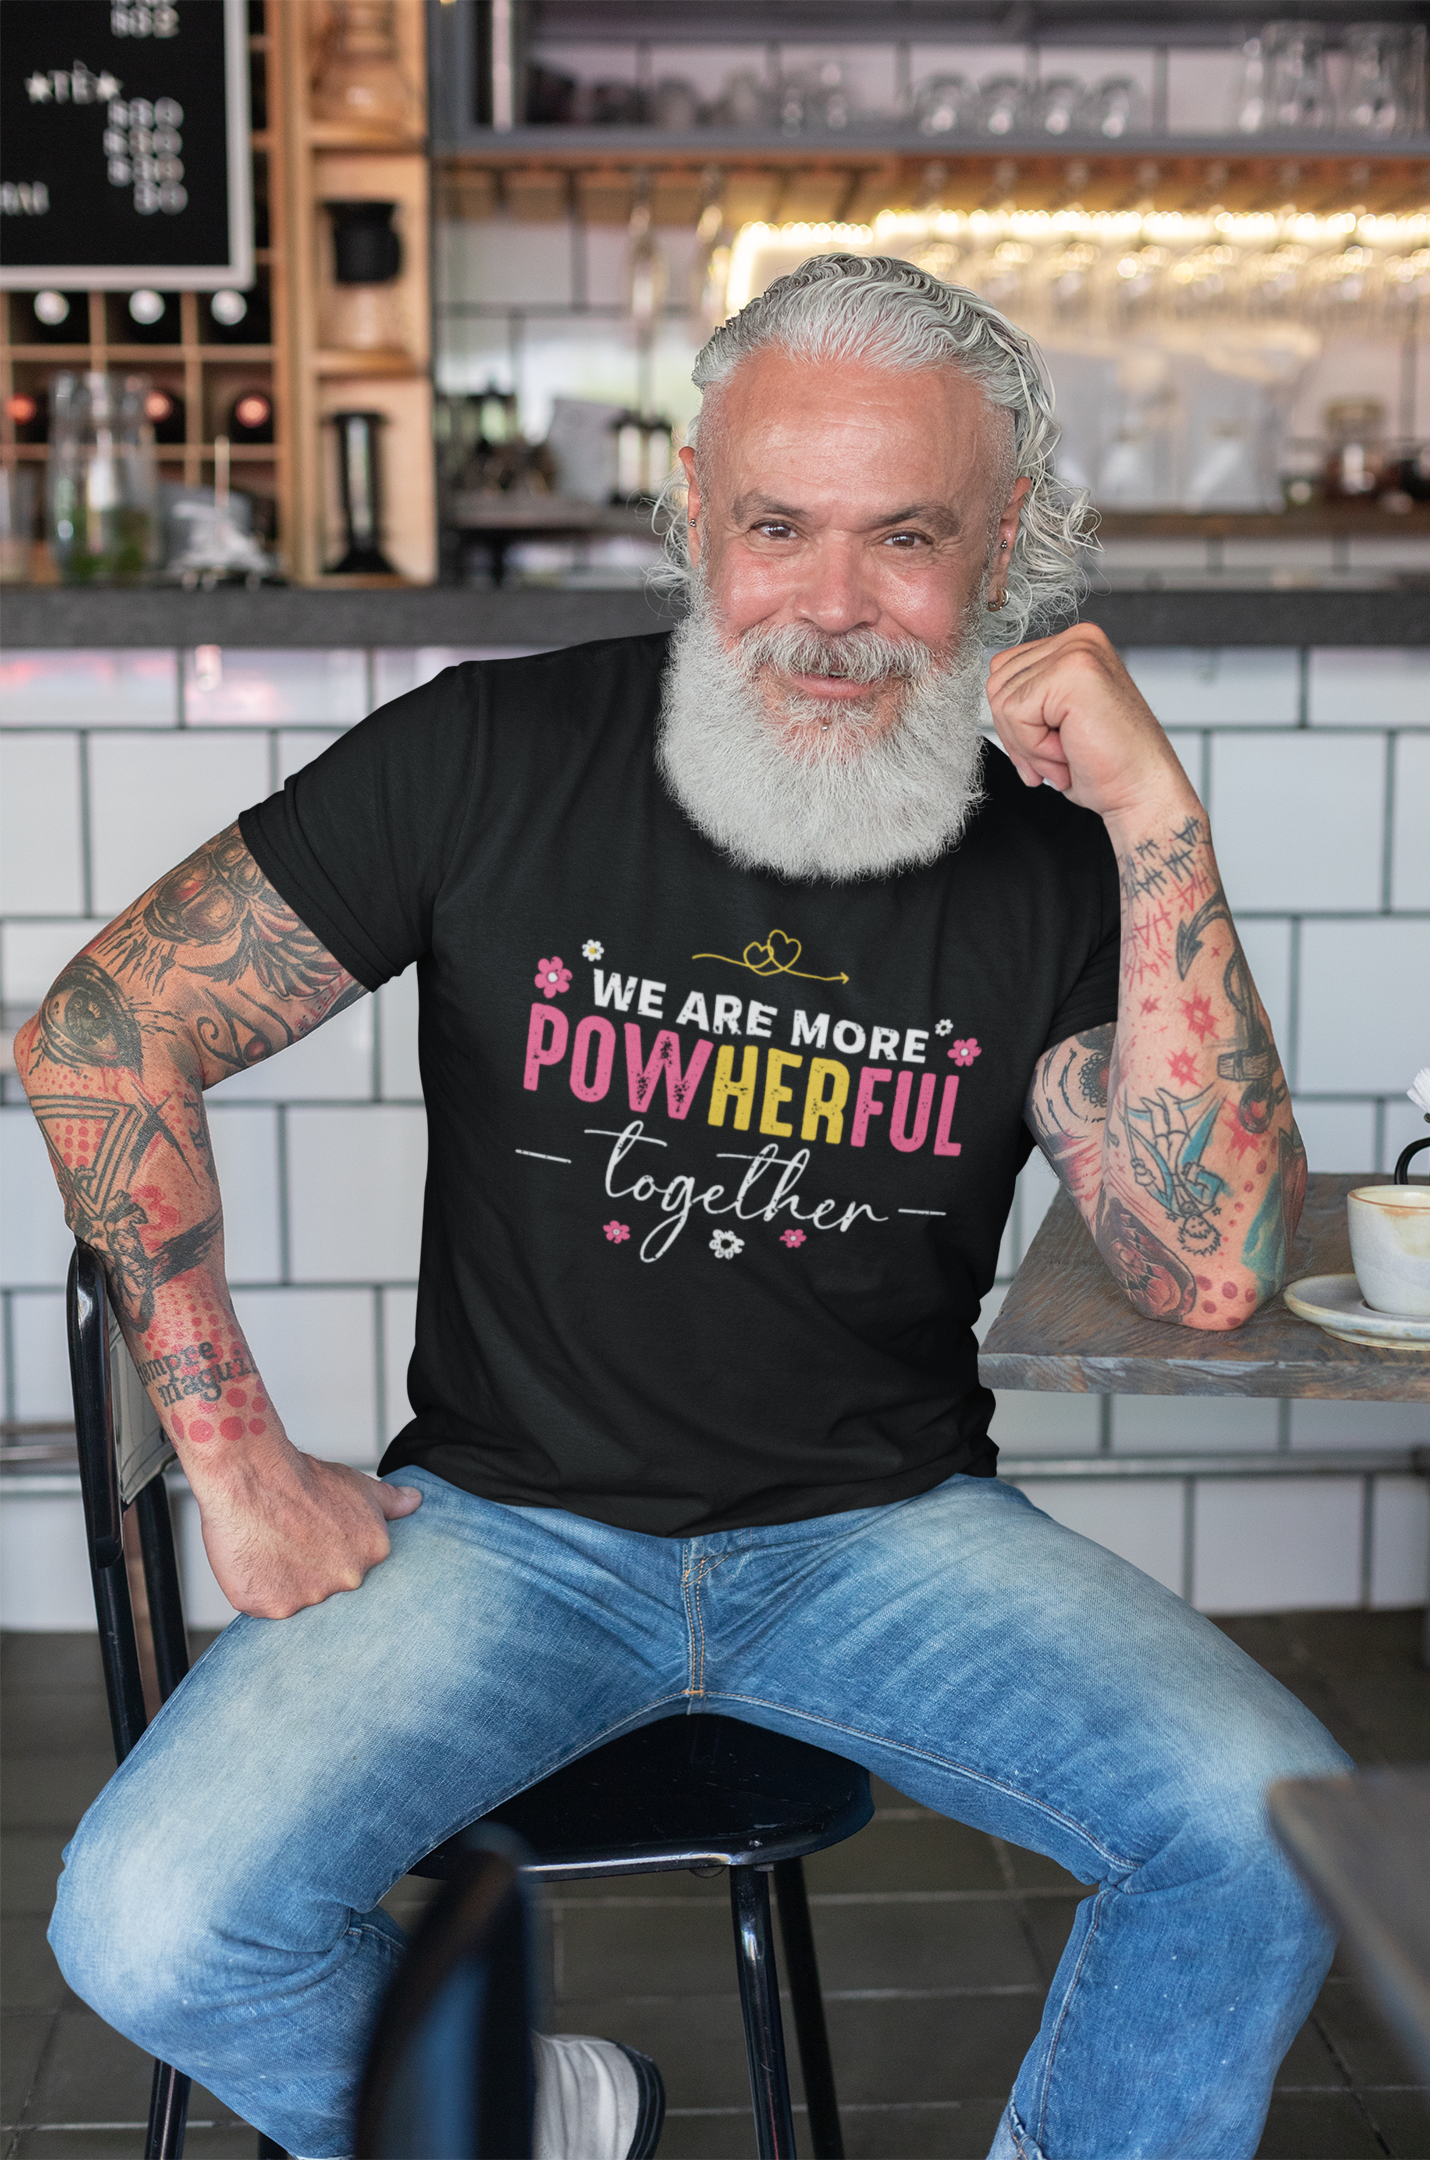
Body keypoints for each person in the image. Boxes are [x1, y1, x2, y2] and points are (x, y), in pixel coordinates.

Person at [20, 255, 1344, 2160]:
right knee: (150, 1923)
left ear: (1006, 549)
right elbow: (104, 1025)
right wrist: (235, 1460)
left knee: (1273, 1830)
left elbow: (1208, 1272)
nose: (831, 606)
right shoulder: (491, 752)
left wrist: (1160, 823)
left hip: (886, 1537)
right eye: (776, 528)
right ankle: (543, 2110)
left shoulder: (1057, 853)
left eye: (906, 537)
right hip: (503, 1534)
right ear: (694, 517)